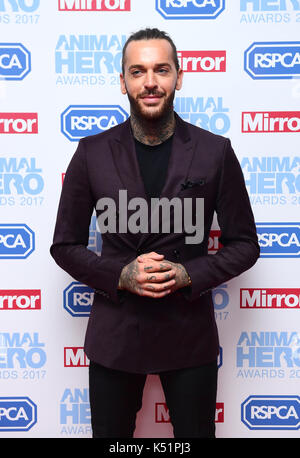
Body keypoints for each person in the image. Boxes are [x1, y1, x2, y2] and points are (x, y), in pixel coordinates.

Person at [50, 28, 260, 438]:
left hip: (188, 336)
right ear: (123, 81)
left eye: (161, 70)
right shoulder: (91, 152)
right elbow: (65, 245)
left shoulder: (215, 151)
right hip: (115, 337)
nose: (150, 82)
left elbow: (245, 244)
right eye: (138, 71)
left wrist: (189, 275)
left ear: (178, 77)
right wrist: (120, 275)